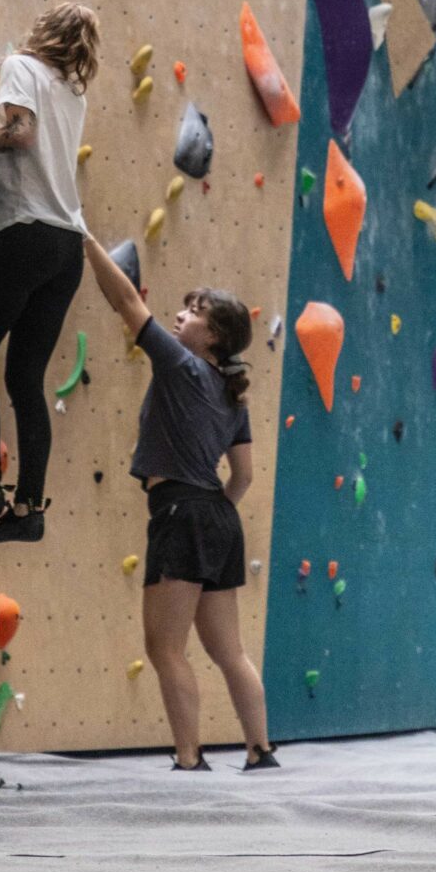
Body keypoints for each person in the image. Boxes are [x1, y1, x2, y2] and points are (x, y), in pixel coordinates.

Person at [80, 231, 282, 772]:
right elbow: (243, 476)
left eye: (192, 312)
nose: (178, 315)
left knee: (165, 648)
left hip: (181, 511)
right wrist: (213, 515)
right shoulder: (231, 396)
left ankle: (190, 758)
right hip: (217, 516)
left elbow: (127, 300)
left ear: (212, 336)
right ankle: (259, 750)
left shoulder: (182, 367)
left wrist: (85, 239)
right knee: (229, 651)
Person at [0, 2, 100, 543]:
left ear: (45, 29)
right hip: (67, 249)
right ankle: (29, 509)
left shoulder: (23, 66)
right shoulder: (73, 94)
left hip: (25, 232)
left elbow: (19, 132)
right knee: (24, 379)